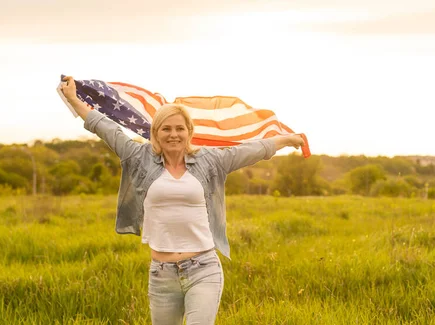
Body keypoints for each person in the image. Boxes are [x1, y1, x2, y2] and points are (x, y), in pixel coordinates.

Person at [59, 76, 304, 324]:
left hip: (204, 268)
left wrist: (285, 139)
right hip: (161, 274)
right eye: (166, 128)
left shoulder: (211, 160)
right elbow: (104, 126)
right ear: (155, 132)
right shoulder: (137, 156)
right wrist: (72, 98)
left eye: (179, 128)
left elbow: (251, 151)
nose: (173, 134)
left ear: (189, 132)